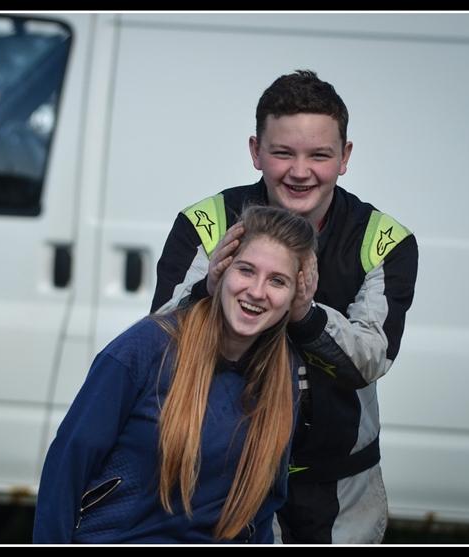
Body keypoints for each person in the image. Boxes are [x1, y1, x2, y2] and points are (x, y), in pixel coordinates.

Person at [150, 70, 419, 544]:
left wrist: (305, 314)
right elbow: (159, 343)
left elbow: (371, 359)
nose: (300, 171)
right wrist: (208, 291)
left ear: (345, 157)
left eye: (319, 154)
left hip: (341, 488)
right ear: (255, 151)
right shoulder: (206, 223)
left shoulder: (385, 239)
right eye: (282, 153)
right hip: (226, 474)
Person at [33, 206, 316, 543]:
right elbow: (67, 465)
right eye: (245, 270)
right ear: (221, 270)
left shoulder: (284, 377)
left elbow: (263, 510)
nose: (256, 291)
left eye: (277, 281)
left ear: (295, 298)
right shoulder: (146, 347)